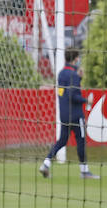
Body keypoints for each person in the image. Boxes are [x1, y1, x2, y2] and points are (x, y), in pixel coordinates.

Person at [38, 49, 98, 179]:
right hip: (76, 115)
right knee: (81, 141)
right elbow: (73, 95)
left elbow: (67, 92)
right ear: (76, 58)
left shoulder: (61, 74)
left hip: (64, 114)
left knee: (62, 140)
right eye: (78, 58)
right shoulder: (73, 75)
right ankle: (84, 171)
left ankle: (46, 163)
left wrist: (79, 78)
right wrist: (86, 100)